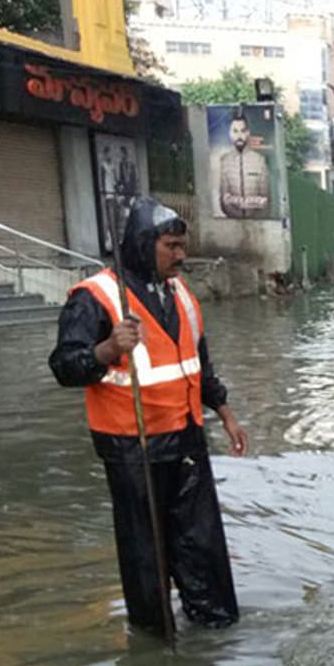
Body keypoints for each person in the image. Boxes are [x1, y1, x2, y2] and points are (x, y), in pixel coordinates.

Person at [49, 197, 247, 637]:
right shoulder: (96, 297)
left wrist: (227, 414)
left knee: (203, 544)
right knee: (146, 555)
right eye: (171, 246)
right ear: (143, 245)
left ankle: (216, 626)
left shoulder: (182, 295)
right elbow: (64, 366)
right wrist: (106, 350)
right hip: (131, 444)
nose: (181, 256)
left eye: (182, 246)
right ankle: (155, 638)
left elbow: (199, 362)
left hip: (187, 437)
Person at [218, 110, 271, 219]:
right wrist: (253, 201)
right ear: (230, 133)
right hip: (231, 223)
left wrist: (236, 201)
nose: (239, 136)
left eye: (243, 131)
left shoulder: (259, 160)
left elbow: (265, 201)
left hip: (258, 224)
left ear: (248, 133)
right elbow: (225, 201)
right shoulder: (225, 161)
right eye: (235, 131)